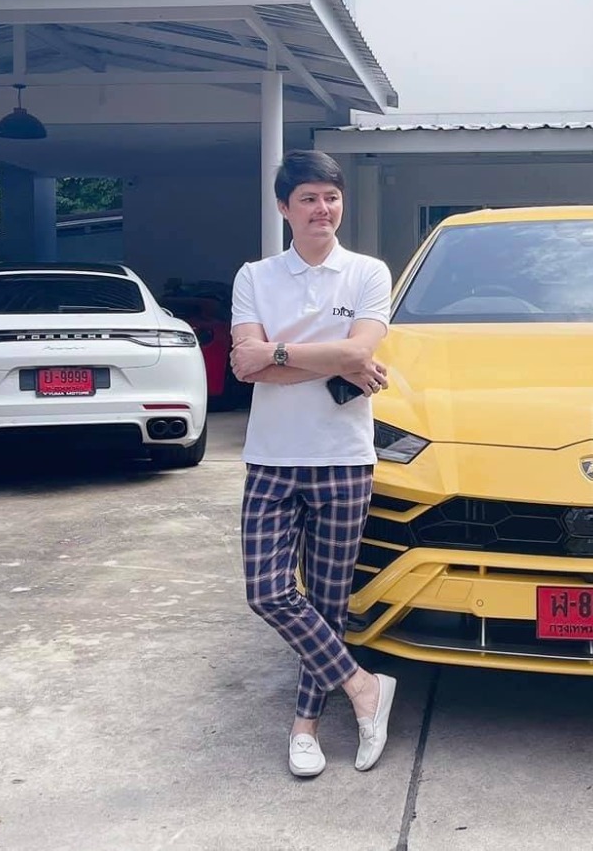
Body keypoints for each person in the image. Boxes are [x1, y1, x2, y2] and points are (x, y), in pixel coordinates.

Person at [229, 149, 397, 779]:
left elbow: (360, 351)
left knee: (327, 602)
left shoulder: (368, 273)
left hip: (343, 459)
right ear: (284, 207)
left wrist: (278, 354)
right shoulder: (255, 276)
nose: (322, 209)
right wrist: (337, 358)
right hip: (272, 457)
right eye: (308, 198)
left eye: (331, 197)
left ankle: (306, 725)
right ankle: (363, 686)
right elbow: (244, 365)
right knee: (268, 592)